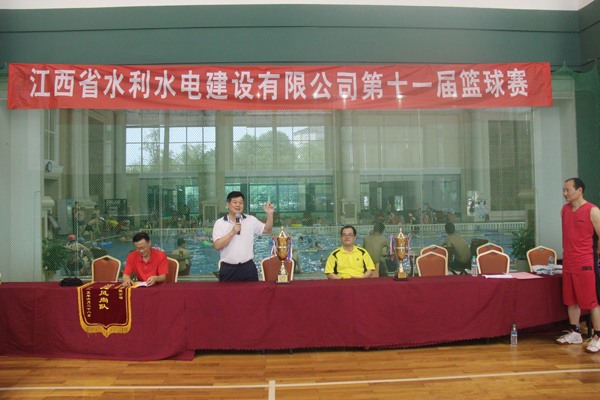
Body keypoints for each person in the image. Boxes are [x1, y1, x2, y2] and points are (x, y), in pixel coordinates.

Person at [556, 178, 600, 353]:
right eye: (564, 190)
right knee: (571, 299)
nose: (565, 193)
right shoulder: (564, 210)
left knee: (593, 301)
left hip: (586, 262)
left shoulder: (593, 211)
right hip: (569, 262)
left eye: (568, 190)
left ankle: (597, 336)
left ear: (579, 190)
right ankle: (575, 332)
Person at [212, 191, 274, 281]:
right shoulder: (220, 223)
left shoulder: (250, 220)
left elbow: (267, 230)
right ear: (228, 204)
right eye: (235, 202)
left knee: (252, 290)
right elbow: (217, 245)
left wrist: (270, 214)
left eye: (241, 203)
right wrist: (232, 233)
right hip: (228, 269)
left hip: (248, 268)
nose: (238, 205)